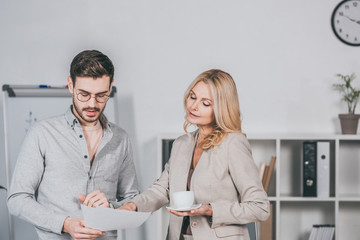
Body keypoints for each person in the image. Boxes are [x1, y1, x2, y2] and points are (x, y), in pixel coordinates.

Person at [120, 69, 270, 240]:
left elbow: (260, 207)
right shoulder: (181, 144)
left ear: (221, 108)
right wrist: (132, 206)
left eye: (205, 103)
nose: (194, 106)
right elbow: (162, 190)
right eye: (192, 97)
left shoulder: (233, 144)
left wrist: (211, 209)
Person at [7, 50, 139, 240]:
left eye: (101, 95)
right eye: (84, 94)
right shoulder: (42, 133)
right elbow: (17, 199)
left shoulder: (121, 138)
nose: (92, 104)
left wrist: (110, 208)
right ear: (70, 85)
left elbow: (133, 200)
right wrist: (65, 224)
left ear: (110, 88)